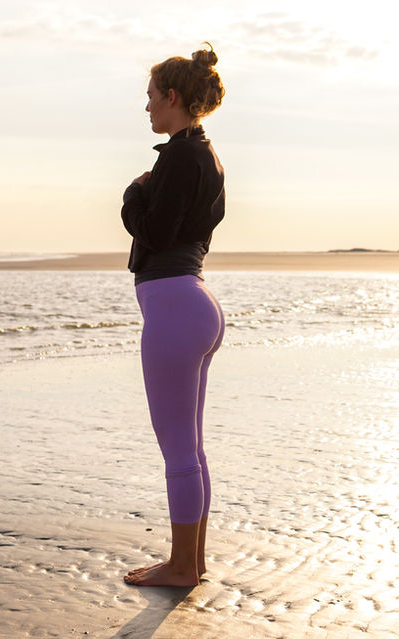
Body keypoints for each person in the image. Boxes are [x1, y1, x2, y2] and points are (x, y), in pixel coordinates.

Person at [120, 43, 226, 587]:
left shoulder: (181, 158)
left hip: (175, 308)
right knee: (191, 447)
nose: (147, 109)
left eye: (151, 98)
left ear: (174, 97)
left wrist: (130, 197)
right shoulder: (205, 157)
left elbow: (155, 233)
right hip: (195, 304)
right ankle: (193, 559)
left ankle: (182, 565)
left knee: (180, 451)